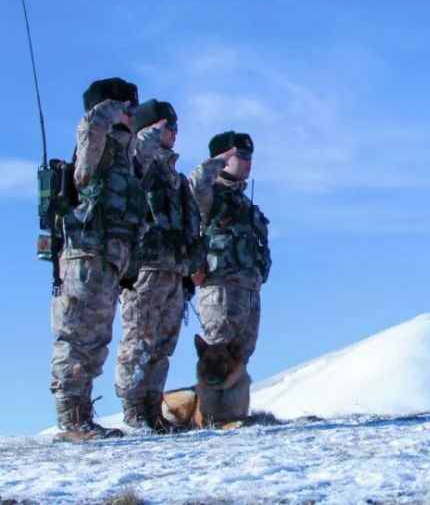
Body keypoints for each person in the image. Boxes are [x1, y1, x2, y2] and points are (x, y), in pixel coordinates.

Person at [50, 77, 143, 440]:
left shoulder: (123, 154)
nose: (133, 115)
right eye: (127, 108)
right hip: (84, 258)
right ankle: (72, 421)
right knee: (77, 337)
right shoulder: (94, 144)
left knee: (97, 340)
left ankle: (82, 417)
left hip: (109, 260)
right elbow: (90, 125)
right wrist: (110, 108)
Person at [115, 99, 203, 432]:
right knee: (139, 340)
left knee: (164, 346)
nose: (175, 134)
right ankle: (133, 411)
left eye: (176, 127)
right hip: (145, 271)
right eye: (169, 127)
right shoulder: (138, 166)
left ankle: (152, 409)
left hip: (173, 272)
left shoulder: (175, 178)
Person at [189, 131, 270, 364]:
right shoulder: (211, 195)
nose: (248, 162)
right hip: (220, 291)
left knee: (239, 361)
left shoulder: (245, 203)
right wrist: (217, 161)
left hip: (249, 291)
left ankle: (235, 402)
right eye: (241, 155)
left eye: (250, 156)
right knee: (217, 357)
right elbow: (194, 188)